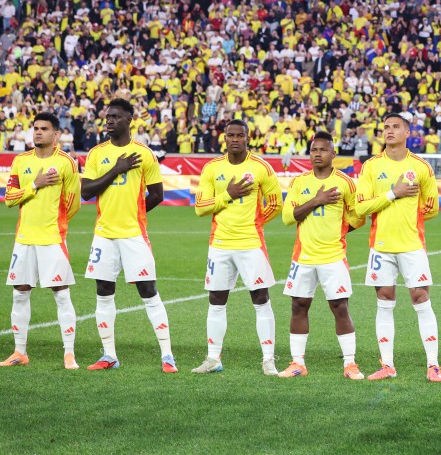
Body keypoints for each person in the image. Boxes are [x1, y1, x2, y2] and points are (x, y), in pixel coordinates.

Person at [79, 98, 175, 372]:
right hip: (104, 234)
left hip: (133, 234)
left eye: (116, 116)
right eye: (107, 116)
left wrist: (136, 213)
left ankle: (167, 356)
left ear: (129, 119)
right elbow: (87, 191)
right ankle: (109, 355)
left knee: (148, 290)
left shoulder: (144, 154)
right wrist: (117, 169)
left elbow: (157, 194)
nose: (109, 120)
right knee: (103, 291)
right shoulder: (97, 154)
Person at [354, 112, 441, 382]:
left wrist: (407, 217)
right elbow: (360, 207)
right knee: (384, 302)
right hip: (380, 246)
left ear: (407, 133)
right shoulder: (370, 166)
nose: (389, 131)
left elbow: (432, 207)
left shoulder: (421, 166)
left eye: (395, 127)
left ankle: (433, 365)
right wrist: (394, 194)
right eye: (386, 127)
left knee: (421, 299)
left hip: (412, 245)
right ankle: (387, 365)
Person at [191, 120, 283, 375]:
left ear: (247, 137)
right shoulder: (212, 168)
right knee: (216, 300)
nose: (234, 139)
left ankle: (268, 360)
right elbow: (200, 207)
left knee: (261, 299)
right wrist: (227, 195)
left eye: (239, 135)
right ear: (224, 138)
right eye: (230, 135)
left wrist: (254, 223)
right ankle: (213, 359)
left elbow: (276, 204)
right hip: (219, 244)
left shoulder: (261, 167)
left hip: (251, 244)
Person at [279, 131, 365, 379]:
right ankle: (297, 363)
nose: (317, 154)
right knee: (299, 306)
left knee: (339, 307)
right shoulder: (299, 182)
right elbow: (287, 217)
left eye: (323, 150)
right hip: (303, 256)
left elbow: (358, 216)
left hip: (333, 257)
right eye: (314, 150)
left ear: (333, 154)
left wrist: (340, 231)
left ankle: (350, 364)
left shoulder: (346, 183)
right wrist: (317, 200)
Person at [1, 113, 81, 369]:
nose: (37, 133)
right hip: (24, 239)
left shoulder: (67, 162)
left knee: (60, 293)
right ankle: (19, 352)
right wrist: (34, 185)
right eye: (35, 128)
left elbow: (73, 203)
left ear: (56, 134)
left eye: (44, 129)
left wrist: (55, 223)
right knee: (20, 294)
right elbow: (10, 198)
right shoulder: (20, 161)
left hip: (52, 239)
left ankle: (69, 353)